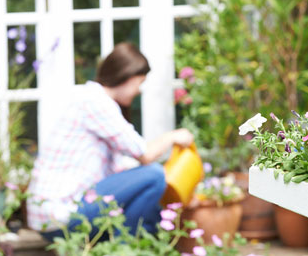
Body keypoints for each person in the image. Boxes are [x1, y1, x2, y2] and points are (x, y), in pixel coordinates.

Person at [27, 42, 194, 241]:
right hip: (60, 215)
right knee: (155, 175)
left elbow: (123, 168)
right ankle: (126, 249)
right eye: (140, 82)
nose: (139, 90)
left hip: (57, 215)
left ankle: (128, 248)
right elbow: (145, 154)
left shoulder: (91, 101)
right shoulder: (95, 101)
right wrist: (173, 136)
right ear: (128, 76)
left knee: (150, 194)